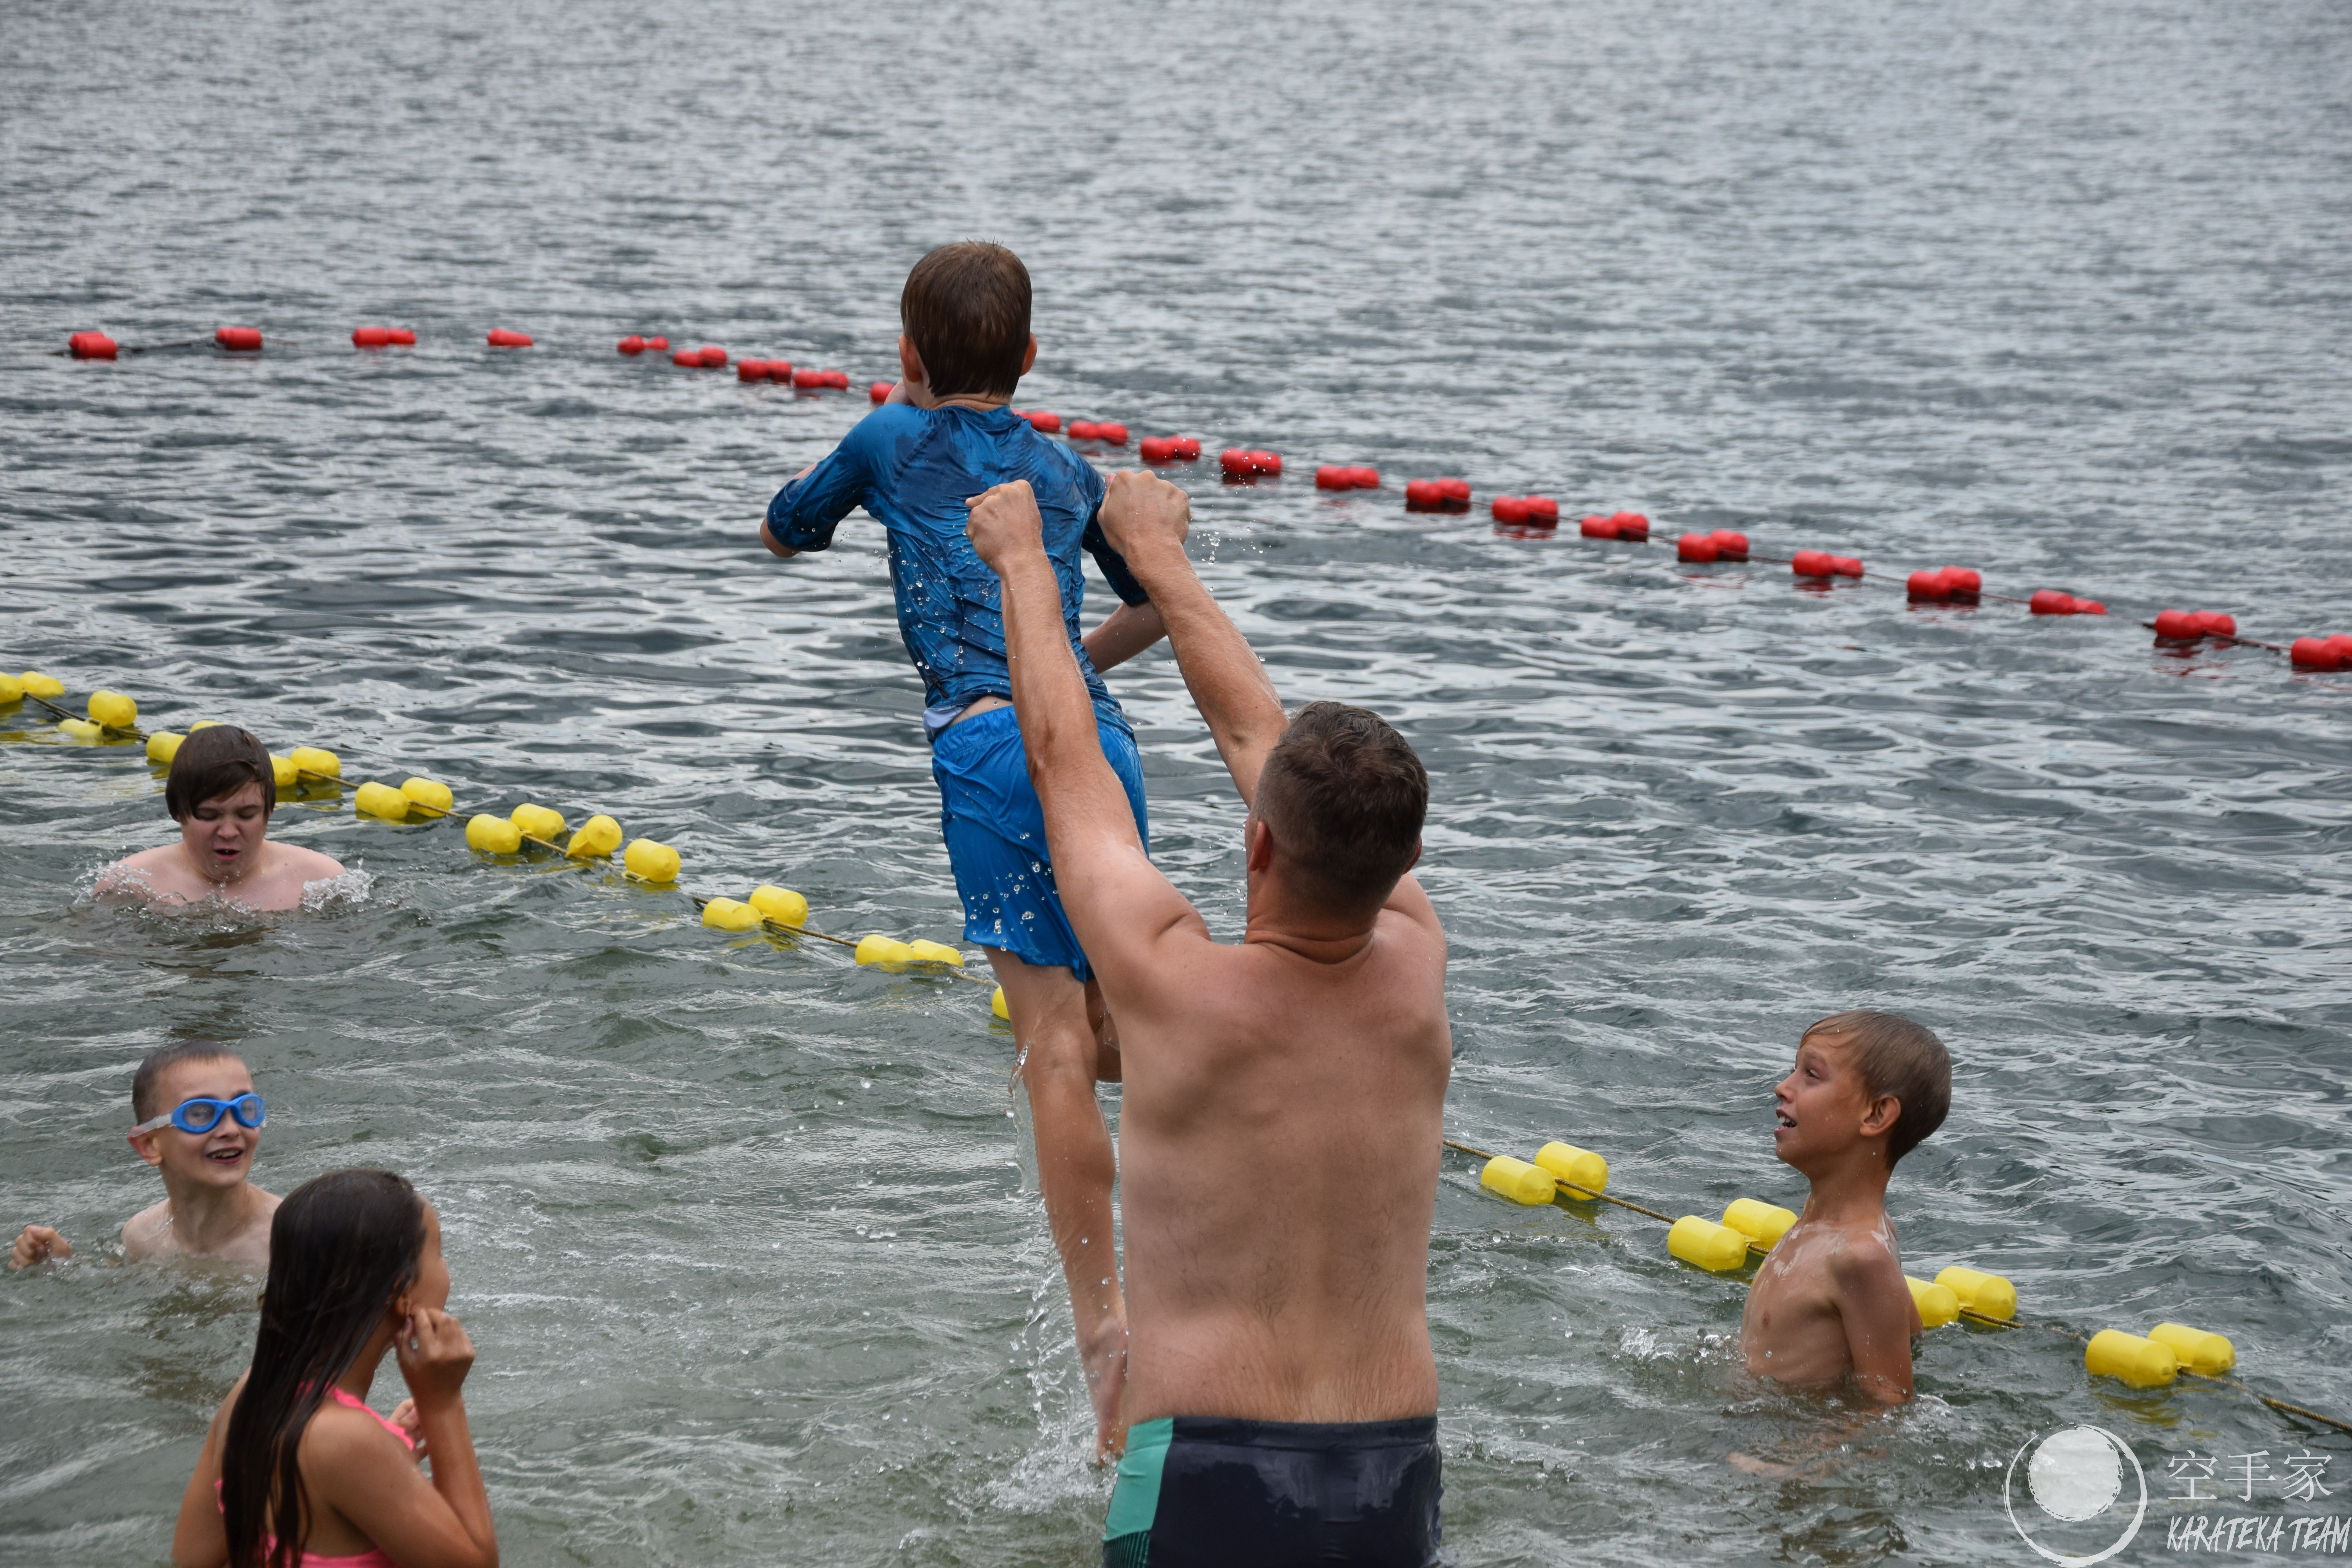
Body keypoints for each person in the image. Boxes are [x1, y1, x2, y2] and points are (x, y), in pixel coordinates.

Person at [964, 470, 1451, 1566]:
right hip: (1397, 1472)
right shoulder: (1420, 967)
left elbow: (1061, 765)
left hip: (1207, 1465)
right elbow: (1257, 734)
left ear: (1259, 843)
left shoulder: (1173, 984)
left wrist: (1028, 566)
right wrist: (1164, 565)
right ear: (1408, 863)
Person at [758, 241, 1165, 1452]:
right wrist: (1066, 663)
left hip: (993, 749)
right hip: (1106, 744)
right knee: (1107, 1026)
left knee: (1050, 1041)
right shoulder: (1062, 463)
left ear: (906, 354)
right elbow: (1150, 600)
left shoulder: (889, 436)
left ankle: (1106, 1332)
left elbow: (785, 531)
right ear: (1031, 357)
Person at [171, 1169, 497, 1568]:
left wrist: (390, 1464)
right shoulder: (348, 1442)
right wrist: (442, 1404)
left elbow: (192, 1558)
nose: (448, 1272)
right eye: (440, 1254)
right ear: (402, 1292)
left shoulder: (250, 1392)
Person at [1739, 1009, 1953, 1404]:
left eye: (1811, 1075)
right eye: (1793, 1070)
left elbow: (1888, 1407)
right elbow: (1913, 1337)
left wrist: (1792, 1461)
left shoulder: (1860, 1255)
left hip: (1777, 1447)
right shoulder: (1838, 1225)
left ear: (1876, 1115)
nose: (1782, 1087)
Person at [11, 1041, 279, 1270]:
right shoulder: (141, 1237)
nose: (232, 1129)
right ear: (149, 1145)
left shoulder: (291, 1240)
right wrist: (58, 1266)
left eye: (245, 1108)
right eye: (200, 1113)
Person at [96, 726, 344, 912]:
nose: (228, 832)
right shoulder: (131, 886)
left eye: (246, 815)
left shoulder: (323, 881)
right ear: (177, 812)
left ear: (269, 811)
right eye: (209, 815)